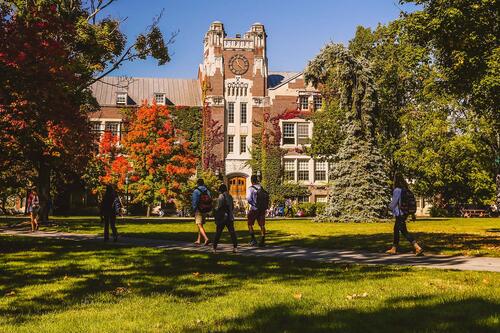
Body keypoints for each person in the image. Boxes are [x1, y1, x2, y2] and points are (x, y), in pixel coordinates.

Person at [386, 174, 423, 255]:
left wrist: (387, 208)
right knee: (401, 230)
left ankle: (417, 247)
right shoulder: (406, 189)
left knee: (399, 230)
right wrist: (412, 214)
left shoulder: (397, 190)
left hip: (400, 213)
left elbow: (394, 203)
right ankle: (396, 248)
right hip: (405, 213)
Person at [213, 184, 238, 253]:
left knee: (218, 232)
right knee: (232, 232)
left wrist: (214, 210)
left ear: (220, 190)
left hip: (222, 217)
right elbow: (232, 207)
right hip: (230, 217)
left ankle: (214, 247)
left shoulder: (221, 196)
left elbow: (218, 207)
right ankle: (235, 247)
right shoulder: (230, 196)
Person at [246, 175, 268, 247]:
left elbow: (249, 199)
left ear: (251, 180)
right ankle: (262, 240)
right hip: (262, 209)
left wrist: (254, 204)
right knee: (262, 225)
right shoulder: (261, 188)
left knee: (250, 224)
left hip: (254, 209)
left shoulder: (251, 189)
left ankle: (253, 240)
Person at [192, 178, 211, 246]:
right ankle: (199, 239)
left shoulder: (196, 191)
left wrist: (194, 209)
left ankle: (206, 238)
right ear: (203, 183)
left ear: (198, 183)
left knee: (199, 224)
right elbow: (209, 199)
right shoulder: (207, 191)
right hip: (205, 209)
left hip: (198, 209)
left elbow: (195, 201)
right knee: (201, 225)